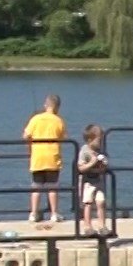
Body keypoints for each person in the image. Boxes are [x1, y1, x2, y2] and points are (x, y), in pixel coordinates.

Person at [22, 94, 66, 224]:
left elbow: (25, 136)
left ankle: (33, 213)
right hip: (52, 157)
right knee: (53, 187)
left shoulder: (35, 119)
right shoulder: (58, 120)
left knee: (36, 186)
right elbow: (63, 137)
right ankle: (54, 214)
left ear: (45, 105)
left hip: (37, 157)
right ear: (57, 107)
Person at [75, 124, 110, 235]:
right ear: (90, 139)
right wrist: (92, 163)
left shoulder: (101, 151)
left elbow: (104, 167)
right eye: (99, 140)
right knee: (88, 203)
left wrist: (103, 165)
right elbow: (80, 167)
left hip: (98, 180)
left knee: (101, 202)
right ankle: (87, 226)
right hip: (87, 182)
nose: (101, 143)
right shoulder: (84, 151)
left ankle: (102, 225)